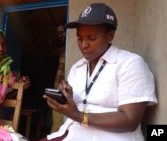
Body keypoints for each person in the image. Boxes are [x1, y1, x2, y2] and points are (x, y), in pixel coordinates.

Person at [41, 3, 158, 141]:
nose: (84, 45)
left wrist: (79, 116)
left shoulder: (130, 64)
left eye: (91, 38)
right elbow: (77, 108)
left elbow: (130, 120)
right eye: (79, 38)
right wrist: (68, 99)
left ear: (110, 36)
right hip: (72, 134)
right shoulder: (77, 68)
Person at [51, 24, 66, 133]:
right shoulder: (62, 49)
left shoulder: (68, 49)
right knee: (57, 123)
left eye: (62, 32)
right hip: (58, 89)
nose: (60, 35)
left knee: (58, 125)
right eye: (58, 33)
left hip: (65, 90)